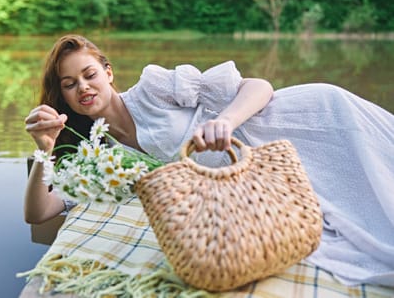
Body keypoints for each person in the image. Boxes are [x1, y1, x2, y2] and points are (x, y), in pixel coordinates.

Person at [24, 34, 394, 287]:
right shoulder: (96, 154)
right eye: (70, 84)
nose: (84, 87)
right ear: (65, 96)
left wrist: (225, 121)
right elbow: (39, 213)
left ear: (108, 73)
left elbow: (259, 87)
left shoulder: (154, 88)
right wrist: (45, 146)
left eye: (89, 75)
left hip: (301, 122)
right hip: (260, 178)